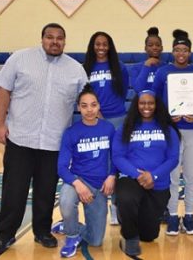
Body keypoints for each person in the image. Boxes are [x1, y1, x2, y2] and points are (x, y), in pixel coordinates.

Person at [0, 23, 87, 256]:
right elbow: (3, 90)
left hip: (54, 142)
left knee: (46, 192)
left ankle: (43, 231)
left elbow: (86, 103)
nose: (54, 42)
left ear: (65, 41)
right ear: (42, 38)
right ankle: (4, 234)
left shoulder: (76, 70)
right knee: (14, 191)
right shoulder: (20, 59)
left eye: (59, 38)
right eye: (49, 37)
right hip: (20, 139)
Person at [151, 29, 193, 236]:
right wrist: (166, 117)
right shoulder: (163, 72)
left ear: (190, 52)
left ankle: (190, 215)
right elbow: (152, 101)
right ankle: (173, 215)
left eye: (184, 50)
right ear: (172, 52)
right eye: (177, 50)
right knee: (173, 176)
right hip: (171, 131)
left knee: (192, 175)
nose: (181, 53)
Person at [112, 90, 179, 257]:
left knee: (149, 236)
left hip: (158, 183)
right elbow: (118, 157)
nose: (146, 106)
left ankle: (132, 220)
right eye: (142, 103)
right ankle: (130, 235)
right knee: (126, 198)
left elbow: (173, 159)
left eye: (150, 103)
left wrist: (153, 175)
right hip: (131, 179)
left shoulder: (168, 130)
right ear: (136, 105)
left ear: (156, 105)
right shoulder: (125, 128)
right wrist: (138, 175)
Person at [56, 87, 115, 257]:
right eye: (84, 106)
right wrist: (77, 184)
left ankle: (67, 225)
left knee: (95, 241)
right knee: (66, 202)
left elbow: (116, 158)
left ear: (98, 106)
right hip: (78, 180)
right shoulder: (71, 132)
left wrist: (112, 176)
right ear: (78, 108)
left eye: (93, 105)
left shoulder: (109, 129)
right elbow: (61, 167)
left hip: (99, 186)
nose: (89, 110)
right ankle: (72, 235)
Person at [82, 31, 128, 128]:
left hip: (117, 116)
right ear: (92, 46)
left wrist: (116, 106)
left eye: (105, 44)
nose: (101, 47)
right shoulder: (84, 69)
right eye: (98, 44)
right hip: (94, 116)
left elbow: (123, 90)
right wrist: (96, 112)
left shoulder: (120, 67)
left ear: (109, 47)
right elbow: (83, 94)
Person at [132, 27, 165, 93]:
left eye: (157, 45)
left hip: (161, 102)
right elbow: (138, 89)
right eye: (150, 45)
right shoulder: (136, 68)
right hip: (145, 102)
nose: (154, 47)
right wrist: (146, 66)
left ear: (161, 48)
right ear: (145, 48)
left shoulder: (166, 67)